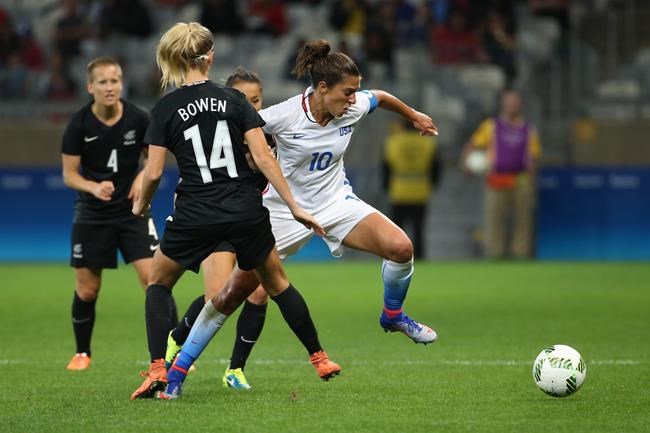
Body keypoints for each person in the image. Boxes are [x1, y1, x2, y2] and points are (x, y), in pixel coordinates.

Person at [162, 38, 440, 395]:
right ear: (322, 88)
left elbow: (381, 97)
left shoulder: (352, 107)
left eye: (355, 92)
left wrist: (414, 115)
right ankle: (179, 370)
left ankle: (393, 315)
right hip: (282, 212)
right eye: (347, 92)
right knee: (232, 293)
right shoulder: (282, 115)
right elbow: (234, 139)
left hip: (336, 202)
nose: (354, 99)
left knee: (401, 247)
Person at [129, 22, 339, 401]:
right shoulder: (235, 101)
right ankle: (320, 358)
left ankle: (158, 367)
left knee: (159, 282)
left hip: (196, 211)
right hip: (245, 209)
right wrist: (294, 206)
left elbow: (155, 171)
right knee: (276, 284)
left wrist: (141, 205)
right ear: (210, 58)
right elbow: (263, 157)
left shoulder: (164, 108)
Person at [165, 67, 273, 390]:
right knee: (218, 295)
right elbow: (188, 179)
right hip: (213, 220)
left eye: (257, 99)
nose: (252, 106)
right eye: (244, 99)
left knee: (258, 292)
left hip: (247, 222)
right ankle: (177, 337)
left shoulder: (265, 137)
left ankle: (235, 370)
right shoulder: (212, 134)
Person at [61, 56, 163, 370]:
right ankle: (82, 353)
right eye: (103, 82)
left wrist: (138, 178)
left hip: (134, 212)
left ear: (122, 83)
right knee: (88, 290)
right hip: (93, 214)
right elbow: (69, 174)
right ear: (91, 87)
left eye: (115, 80)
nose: (110, 87)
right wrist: (92, 187)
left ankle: (166, 355)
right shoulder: (79, 124)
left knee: (155, 281)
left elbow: (154, 161)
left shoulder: (139, 118)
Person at [462, 90, 541, 259]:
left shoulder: (528, 129)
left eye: (515, 103)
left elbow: (532, 158)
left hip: (521, 180)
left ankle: (521, 254)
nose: (512, 106)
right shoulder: (491, 126)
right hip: (497, 179)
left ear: (520, 105)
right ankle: (494, 254)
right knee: (494, 221)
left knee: (523, 221)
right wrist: (467, 162)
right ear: (503, 105)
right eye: (509, 102)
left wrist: (532, 182)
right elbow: (473, 145)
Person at [382, 118, 441, 259]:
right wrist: (432, 184)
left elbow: (386, 168)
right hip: (420, 191)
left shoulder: (393, 142)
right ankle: (419, 258)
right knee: (418, 229)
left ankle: (394, 258)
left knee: (396, 229)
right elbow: (435, 168)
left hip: (399, 191)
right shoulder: (428, 143)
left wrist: (386, 186)